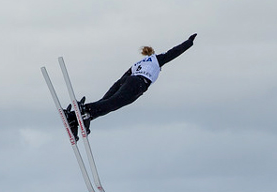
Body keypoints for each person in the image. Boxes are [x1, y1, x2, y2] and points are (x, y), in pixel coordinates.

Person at [64, 34, 196, 138]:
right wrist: (189, 42)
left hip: (126, 80)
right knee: (110, 104)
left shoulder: (138, 63)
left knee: (106, 104)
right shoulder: (156, 59)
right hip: (137, 84)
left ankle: (73, 118)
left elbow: (123, 78)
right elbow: (173, 52)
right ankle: (84, 110)